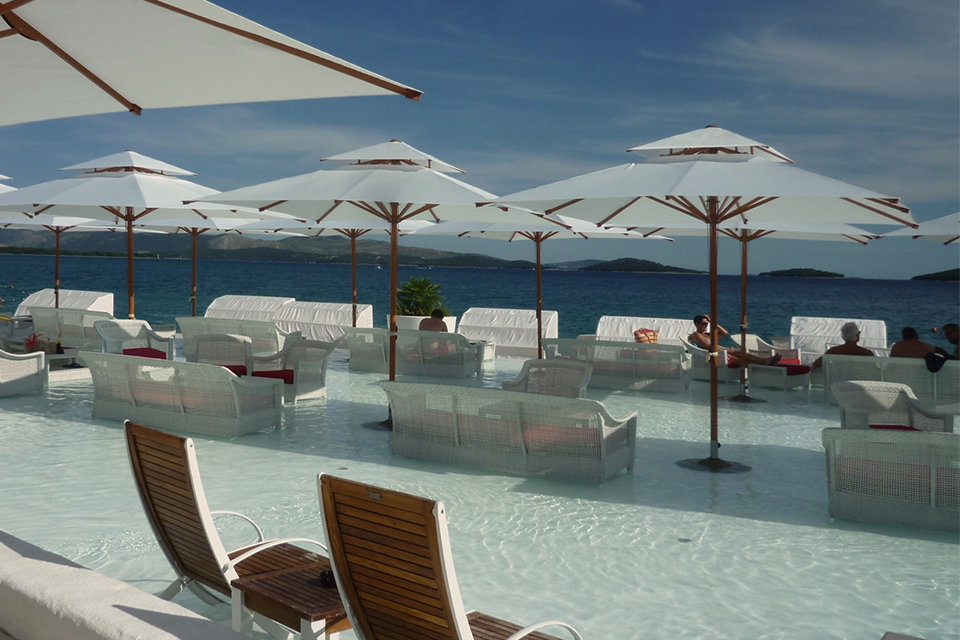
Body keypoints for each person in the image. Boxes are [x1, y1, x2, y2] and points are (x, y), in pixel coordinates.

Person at [688, 314, 781, 366]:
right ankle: (764, 362)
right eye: (704, 324)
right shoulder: (696, 335)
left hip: (721, 353)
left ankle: (764, 363)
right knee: (740, 354)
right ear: (697, 324)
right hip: (713, 356)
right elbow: (709, 347)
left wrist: (712, 322)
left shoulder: (708, 335)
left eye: (707, 324)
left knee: (741, 357)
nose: (706, 326)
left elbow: (725, 333)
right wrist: (728, 350)